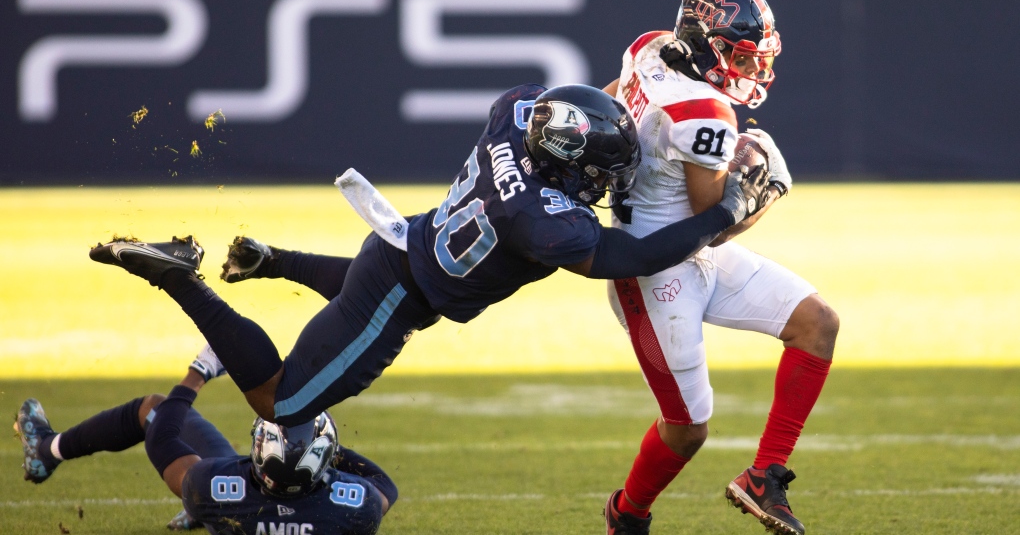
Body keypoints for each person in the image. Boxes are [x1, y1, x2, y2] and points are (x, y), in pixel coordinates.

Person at [87, 83, 769, 434]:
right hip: (403, 287)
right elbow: (644, 255)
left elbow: (560, 117)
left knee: (368, 298)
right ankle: (178, 276)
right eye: (599, 172)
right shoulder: (544, 225)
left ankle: (272, 261)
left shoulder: (516, 113)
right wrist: (725, 211)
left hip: (399, 244)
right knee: (282, 403)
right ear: (569, 163)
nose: (604, 185)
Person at [599, 0, 838, 535]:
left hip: (680, 249)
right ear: (707, 44)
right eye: (740, 56)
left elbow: (612, 96)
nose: (752, 70)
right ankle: (626, 514)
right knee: (688, 429)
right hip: (655, 268)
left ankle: (764, 476)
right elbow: (714, 226)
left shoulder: (651, 46)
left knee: (817, 323)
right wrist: (766, 190)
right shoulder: (706, 111)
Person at [13, 346, 395, 534]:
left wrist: (199, 372)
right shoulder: (357, 510)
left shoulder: (208, 491)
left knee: (152, 408)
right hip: (242, 509)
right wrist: (319, 446)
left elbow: (163, 437)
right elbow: (384, 487)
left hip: (230, 503)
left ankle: (46, 450)